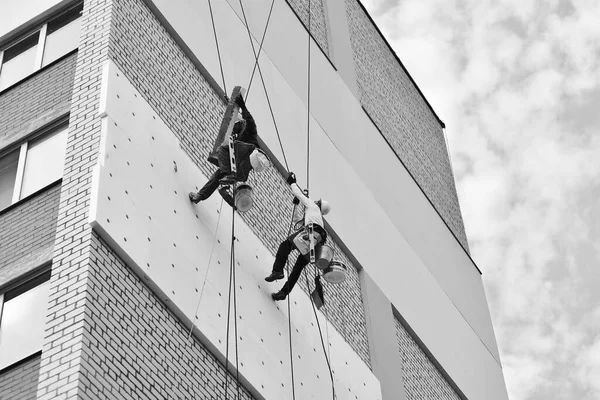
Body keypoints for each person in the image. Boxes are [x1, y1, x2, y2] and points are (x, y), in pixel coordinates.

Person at [189, 94, 269, 205]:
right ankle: (200, 196)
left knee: (222, 149)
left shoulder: (249, 133)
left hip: (244, 164)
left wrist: (243, 107)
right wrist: (231, 104)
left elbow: (251, 123)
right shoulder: (237, 138)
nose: (234, 131)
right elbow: (234, 117)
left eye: (235, 127)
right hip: (236, 168)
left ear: (240, 124)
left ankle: (227, 175)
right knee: (217, 176)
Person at [265, 172, 331, 301]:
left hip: (310, 233)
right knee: (297, 268)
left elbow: (300, 195)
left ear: (319, 205)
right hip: (315, 242)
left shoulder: (313, 207)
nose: (315, 201)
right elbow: (297, 222)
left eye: (318, 201)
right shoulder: (317, 218)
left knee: (285, 246)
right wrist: (296, 205)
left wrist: (292, 182)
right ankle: (284, 292)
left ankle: (278, 270)